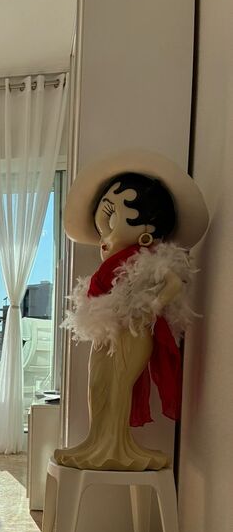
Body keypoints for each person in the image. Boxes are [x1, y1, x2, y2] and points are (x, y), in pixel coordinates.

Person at [55, 149, 208, 470]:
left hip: (134, 329)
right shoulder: (119, 261)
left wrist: (152, 305)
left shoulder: (149, 259)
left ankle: (115, 447)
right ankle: (95, 441)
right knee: (98, 384)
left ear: (146, 230)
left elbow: (173, 283)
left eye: (111, 218)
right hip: (108, 327)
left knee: (119, 385)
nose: (104, 234)